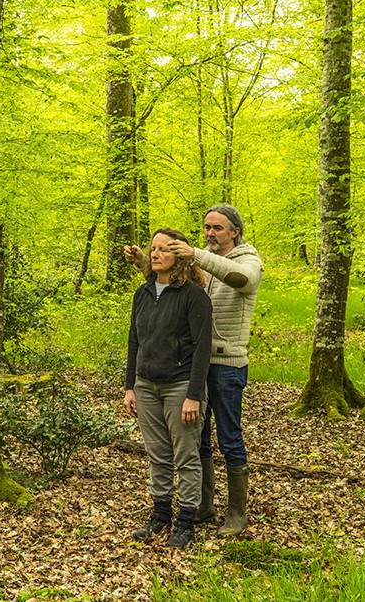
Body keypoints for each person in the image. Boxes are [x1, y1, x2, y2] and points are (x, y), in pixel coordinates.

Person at [125, 204, 263, 537]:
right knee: (197, 439)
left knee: (229, 438)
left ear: (235, 231)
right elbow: (175, 281)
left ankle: (237, 513)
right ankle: (202, 505)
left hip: (226, 363)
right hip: (191, 365)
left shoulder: (248, 260)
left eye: (218, 228)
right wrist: (145, 261)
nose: (210, 233)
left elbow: (241, 280)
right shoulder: (202, 262)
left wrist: (196, 254)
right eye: (206, 227)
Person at [124, 228, 212, 548]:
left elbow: (202, 348)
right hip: (146, 386)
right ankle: (160, 514)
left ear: (180, 257)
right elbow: (135, 342)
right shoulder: (143, 293)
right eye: (154, 248)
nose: (156, 253)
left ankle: (185, 522)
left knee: (186, 456)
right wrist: (130, 387)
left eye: (165, 249)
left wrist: (193, 396)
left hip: (180, 387)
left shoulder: (193, 295)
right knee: (157, 455)